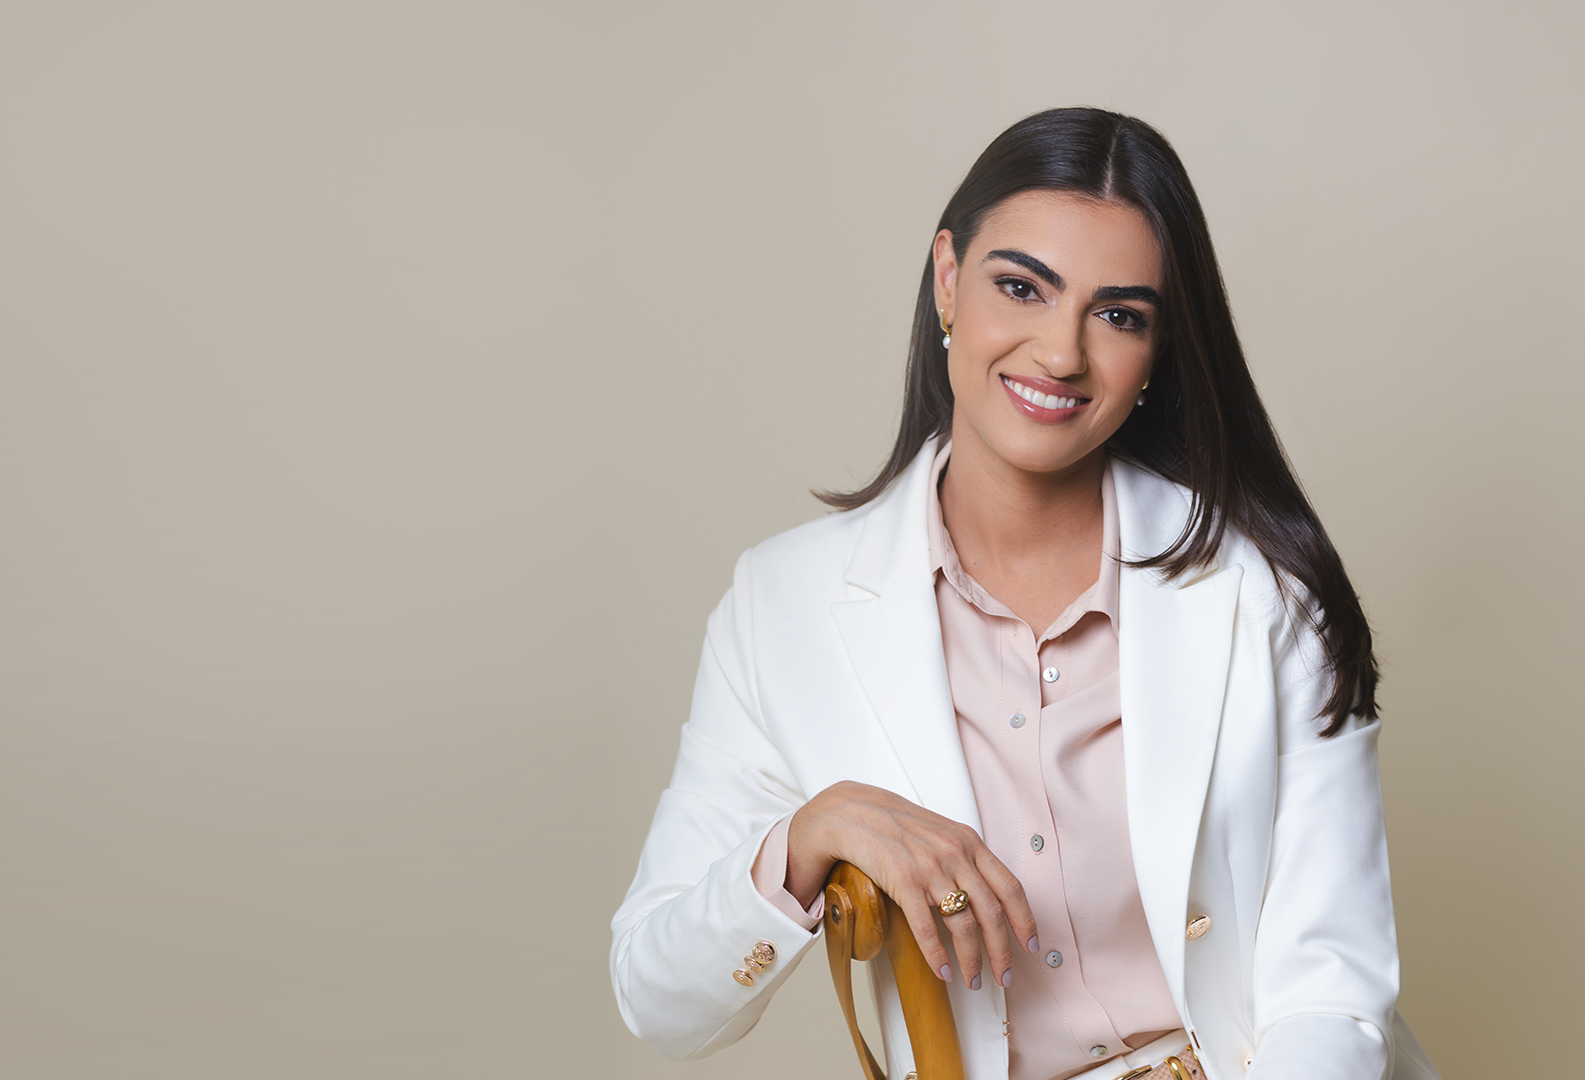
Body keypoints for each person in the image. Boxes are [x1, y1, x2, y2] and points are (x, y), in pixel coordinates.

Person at [609, 109, 1440, 1080]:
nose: (1060, 354)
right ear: (948, 279)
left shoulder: (1263, 588)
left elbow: (1330, 993)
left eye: (1119, 315)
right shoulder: (781, 607)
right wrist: (807, 837)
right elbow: (659, 1002)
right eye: (1021, 287)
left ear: (1159, 352)